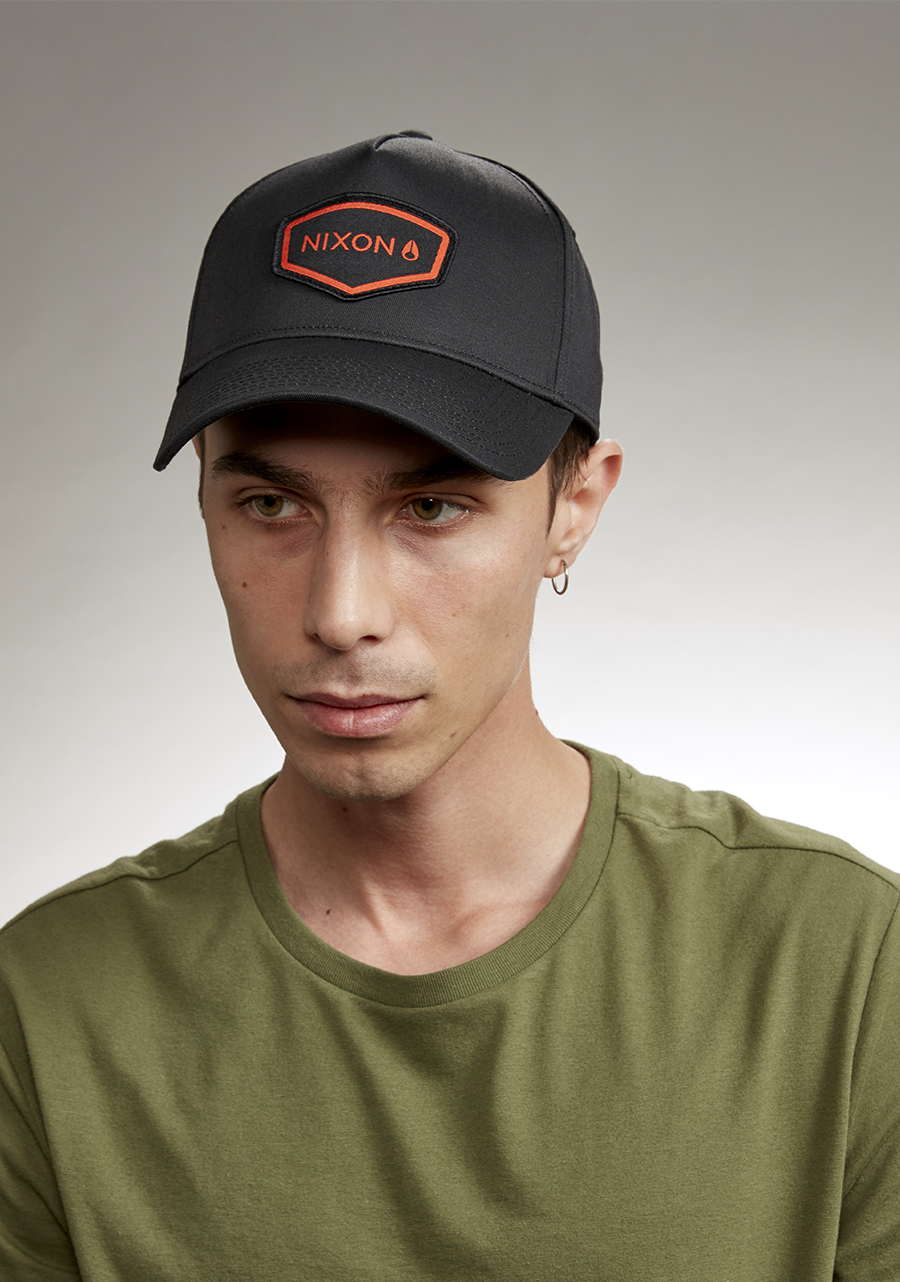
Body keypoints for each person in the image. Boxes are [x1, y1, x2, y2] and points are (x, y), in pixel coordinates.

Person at [0, 132, 897, 1281]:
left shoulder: (846, 974)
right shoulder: (48, 1014)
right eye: (271, 503)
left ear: (575, 506)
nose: (342, 612)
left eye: (430, 508)